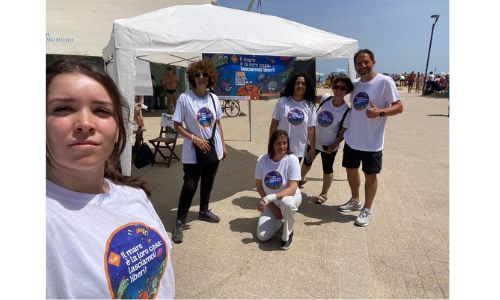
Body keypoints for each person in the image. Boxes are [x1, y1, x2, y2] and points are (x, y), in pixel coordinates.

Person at [46, 59, 175, 298]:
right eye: (63, 108)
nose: (85, 123)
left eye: (102, 111)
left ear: (117, 129)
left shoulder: (134, 196)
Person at [339, 49, 403, 227]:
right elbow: (337, 94)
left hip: (372, 142)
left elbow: (399, 107)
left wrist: (381, 112)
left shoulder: (385, 81)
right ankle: (355, 200)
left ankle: (367, 209)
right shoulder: (355, 85)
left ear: (373, 61)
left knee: (370, 176)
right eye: (359, 63)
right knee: (350, 171)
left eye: (366, 62)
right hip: (352, 139)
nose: (362, 66)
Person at [171, 59, 227, 243]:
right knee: (189, 185)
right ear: (192, 77)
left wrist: (223, 146)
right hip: (192, 149)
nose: (201, 78)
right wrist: (194, 138)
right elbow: (177, 125)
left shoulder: (214, 98)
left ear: (210, 77)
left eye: (204, 74)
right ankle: (180, 221)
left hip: (214, 148)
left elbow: (218, 123)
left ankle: (203, 210)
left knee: (209, 180)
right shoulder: (185, 99)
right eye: (197, 75)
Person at [300, 76, 354, 204]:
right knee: (307, 162)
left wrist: (333, 145)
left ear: (347, 91)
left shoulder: (347, 111)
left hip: (328, 145)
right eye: (336, 87)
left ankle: (324, 193)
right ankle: (301, 179)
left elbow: (342, 133)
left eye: (343, 88)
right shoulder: (325, 99)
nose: (338, 90)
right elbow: (309, 98)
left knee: (327, 168)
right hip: (313, 141)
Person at [255, 130, 301, 250]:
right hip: (272, 203)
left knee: (287, 203)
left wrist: (269, 198)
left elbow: (291, 189)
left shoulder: (292, 159)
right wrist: (273, 208)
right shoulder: (262, 160)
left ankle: (288, 231)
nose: (282, 146)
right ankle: (283, 219)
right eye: (278, 143)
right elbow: (259, 186)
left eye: (284, 143)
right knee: (262, 236)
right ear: (272, 144)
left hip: (290, 197)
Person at [269, 72, 316, 187]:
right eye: (297, 83)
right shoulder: (283, 101)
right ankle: (278, 196)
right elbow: (274, 123)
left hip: (299, 147)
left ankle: (290, 196)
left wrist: (313, 148)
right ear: (292, 85)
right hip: (281, 145)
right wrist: (271, 142)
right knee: (279, 172)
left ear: (307, 86)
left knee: (292, 174)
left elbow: (311, 129)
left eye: (303, 84)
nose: (300, 86)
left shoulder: (310, 105)